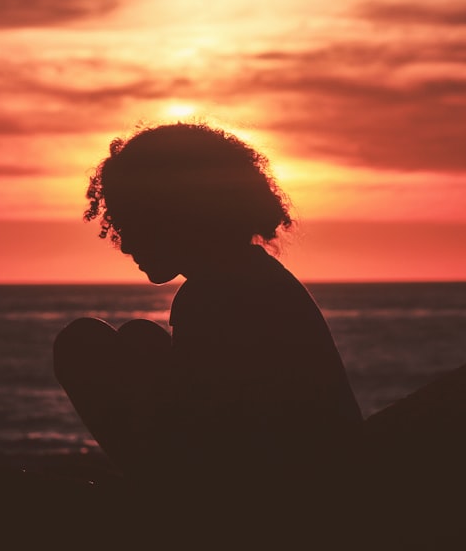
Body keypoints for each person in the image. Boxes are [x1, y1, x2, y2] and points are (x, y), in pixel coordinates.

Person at [54, 123, 363, 493]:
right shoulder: (250, 275)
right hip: (316, 478)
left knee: (82, 343)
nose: (123, 244)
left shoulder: (217, 293)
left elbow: (218, 429)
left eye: (130, 222)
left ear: (173, 215)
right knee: (140, 339)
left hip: (288, 493)